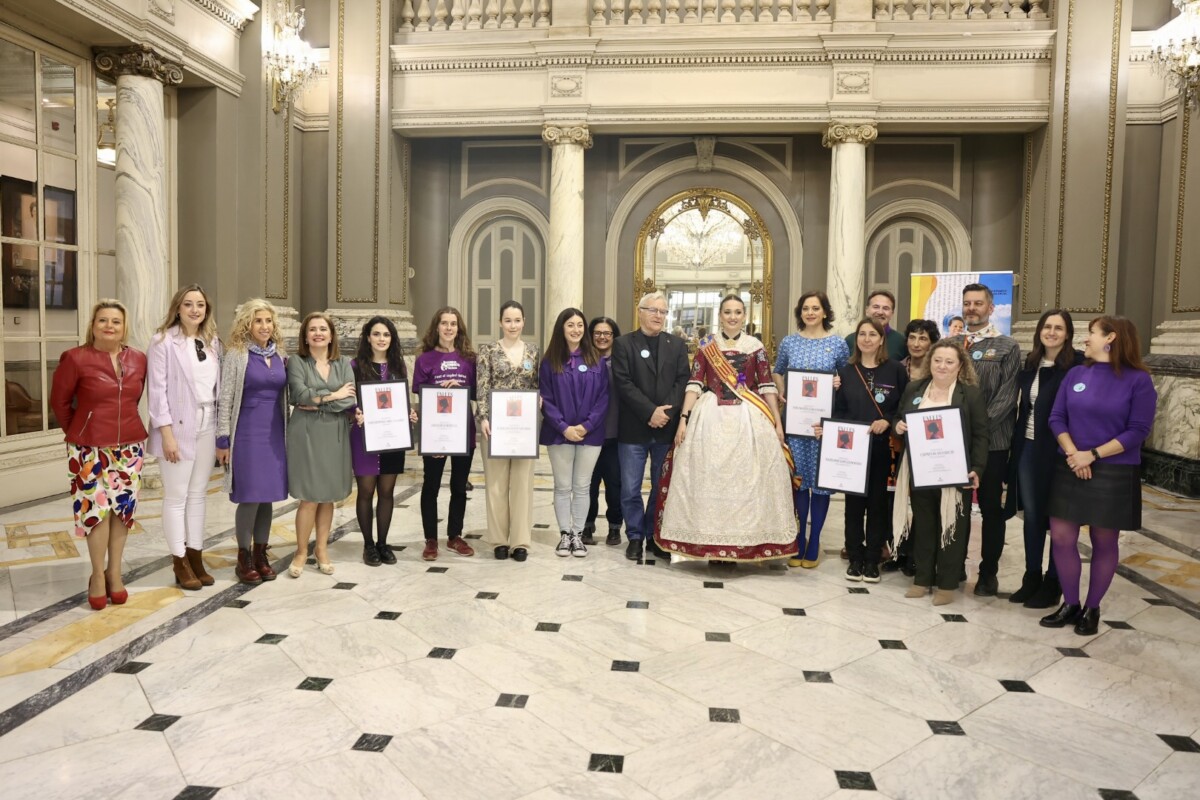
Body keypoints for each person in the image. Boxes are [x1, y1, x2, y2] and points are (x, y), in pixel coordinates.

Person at [656, 294, 796, 562]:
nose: (733, 317)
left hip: (749, 418)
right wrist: (683, 419)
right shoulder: (707, 345)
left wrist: (777, 422)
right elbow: (695, 384)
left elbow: (767, 386)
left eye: (738, 312)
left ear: (744, 316)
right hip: (709, 416)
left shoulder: (755, 346)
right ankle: (708, 544)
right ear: (720, 315)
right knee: (709, 477)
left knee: (747, 479)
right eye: (728, 312)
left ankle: (745, 543)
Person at [1041, 317, 1156, 636]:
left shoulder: (1139, 380)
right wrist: (1073, 453)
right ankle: (1070, 603)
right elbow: (1056, 417)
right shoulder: (1077, 373)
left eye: (1091, 333)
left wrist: (1091, 455)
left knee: (1103, 541)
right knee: (1062, 537)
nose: (1085, 339)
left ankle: (1092, 608)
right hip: (1071, 462)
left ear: (1111, 338)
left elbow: (1138, 431)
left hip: (1114, 468)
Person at [50, 300, 148, 610]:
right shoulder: (75, 359)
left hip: (130, 445)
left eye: (116, 321)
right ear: (92, 325)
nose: (109, 326)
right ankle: (96, 575)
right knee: (96, 512)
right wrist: (79, 430)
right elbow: (60, 402)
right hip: (88, 448)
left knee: (122, 512)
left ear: (124, 327)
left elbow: (135, 397)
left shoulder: (139, 360)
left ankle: (114, 573)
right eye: (103, 320)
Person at [893, 340, 989, 605]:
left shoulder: (969, 394)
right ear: (929, 363)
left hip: (955, 472)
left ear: (960, 366)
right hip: (921, 470)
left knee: (953, 526)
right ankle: (922, 579)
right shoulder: (915, 389)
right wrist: (898, 426)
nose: (942, 366)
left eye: (949, 362)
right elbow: (899, 418)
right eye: (937, 360)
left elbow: (981, 435)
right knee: (924, 526)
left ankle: (947, 584)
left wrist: (976, 469)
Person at [146, 284, 221, 591]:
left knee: (199, 494)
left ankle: (196, 556)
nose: (194, 310)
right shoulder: (163, 341)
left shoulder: (212, 341)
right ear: (178, 308)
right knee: (176, 497)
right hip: (176, 428)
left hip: (207, 423)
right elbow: (157, 391)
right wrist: (166, 435)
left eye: (200, 305)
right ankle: (179, 560)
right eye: (188, 304)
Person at [821, 318, 908, 582]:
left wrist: (889, 421)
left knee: (878, 504)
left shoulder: (895, 370)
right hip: (852, 449)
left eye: (873, 334)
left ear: (882, 339)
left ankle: (873, 559)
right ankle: (855, 557)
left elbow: (902, 407)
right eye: (862, 334)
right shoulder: (846, 372)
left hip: (882, 447)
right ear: (856, 339)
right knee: (853, 505)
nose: (867, 338)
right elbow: (839, 410)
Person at [1008, 309, 1084, 608]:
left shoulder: (1076, 365)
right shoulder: (1031, 362)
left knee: (1057, 519)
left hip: (1058, 452)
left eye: (1059, 328)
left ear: (1068, 334)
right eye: (1047, 327)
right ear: (1039, 331)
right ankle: (1031, 577)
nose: (1051, 332)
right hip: (1027, 447)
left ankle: (1054, 582)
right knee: (1032, 516)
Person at [612, 291, 691, 562]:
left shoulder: (677, 345)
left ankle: (653, 536)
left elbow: (683, 381)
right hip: (634, 429)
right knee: (631, 488)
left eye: (663, 311)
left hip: (666, 429)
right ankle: (634, 536)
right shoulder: (623, 344)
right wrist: (650, 412)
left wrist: (664, 412)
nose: (659, 316)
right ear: (640, 311)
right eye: (653, 310)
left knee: (661, 486)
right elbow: (623, 383)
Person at [773, 290, 850, 568]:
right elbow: (777, 371)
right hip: (795, 424)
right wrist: (782, 392)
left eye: (816, 308)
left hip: (822, 427)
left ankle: (814, 540)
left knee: (819, 484)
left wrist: (839, 384)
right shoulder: (789, 342)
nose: (810, 313)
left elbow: (847, 377)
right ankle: (798, 539)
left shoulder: (838, 344)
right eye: (806, 308)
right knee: (798, 481)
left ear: (825, 312)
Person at [215, 299, 288, 585]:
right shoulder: (237, 354)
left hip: (274, 433)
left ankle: (261, 553)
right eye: (258, 321)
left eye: (268, 321)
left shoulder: (280, 353)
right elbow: (226, 398)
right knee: (249, 495)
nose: (264, 326)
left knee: (267, 495)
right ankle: (244, 556)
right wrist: (223, 439)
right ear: (247, 324)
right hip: (246, 432)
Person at [955, 283, 1021, 596]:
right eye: (967, 303)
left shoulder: (1007, 346)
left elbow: (1007, 397)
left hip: (993, 444)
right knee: (958, 506)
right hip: (954, 444)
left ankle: (988, 572)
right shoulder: (952, 344)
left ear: (991, 308)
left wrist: (976, 430)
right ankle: (954, 565)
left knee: (992, 509)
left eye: (978, 303)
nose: (972, 308)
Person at [286, 312, 355, 577]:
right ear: (305, 335)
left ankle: (322, 549)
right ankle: (301, 551)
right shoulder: (296, 361)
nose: (318, 333)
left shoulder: (343, 363)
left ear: (331, 335)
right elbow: (298, 394)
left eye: (323, 329)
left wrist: (319, 400)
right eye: (312, 329)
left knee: (327, 496)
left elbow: (349, 399)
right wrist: (334, 395)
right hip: (306, 433)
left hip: (335, 433)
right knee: (309, 497)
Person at [540, 308, 610, 558]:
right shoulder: (549, 362)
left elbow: (603, 399)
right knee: (562, 486)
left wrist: (586, 426)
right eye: (570, 325)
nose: (576, 330)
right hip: (558, 434)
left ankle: (578, 535)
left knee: (582, 486)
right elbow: (545, 399)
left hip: (590, 435)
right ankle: (564, 535)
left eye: (580, 325)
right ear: (562, 328)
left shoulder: (597, 361)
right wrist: (564, 427)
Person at [476, 300, 541, 562]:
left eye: (517, 320)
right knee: (496, 484)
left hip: (524, 427)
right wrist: (483, 418)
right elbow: (482, 386)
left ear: (524, 321)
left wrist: (540, 400)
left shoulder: (534, 352)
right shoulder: (488, 351)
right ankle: (499, 540)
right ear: (500, 322)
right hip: (494, 427)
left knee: (523, 484)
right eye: (508, 320)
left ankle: (520, 541)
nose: (513, 325)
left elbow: (537, 384)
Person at [413, 307, 477, 562]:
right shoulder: (424, 359)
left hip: (462, 431)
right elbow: (420, 395)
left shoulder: (469, 359)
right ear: (436, 327)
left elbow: (476, 393)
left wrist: (461, 387)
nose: (449, 328)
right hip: (436, 432)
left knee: (459, 486)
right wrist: (437, 389)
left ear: (459, 328)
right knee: (431, 486)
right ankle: (431, 539)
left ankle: (454, 536)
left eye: (453, 324)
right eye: (444, 323)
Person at [350, 316, 414, 567]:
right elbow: (350, 399)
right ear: (368, 337)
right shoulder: (355, 366)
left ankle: (383, 544)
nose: (381, 339)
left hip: (393, 437)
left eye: (386, 335)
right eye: (376, 334)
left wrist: (408, 413)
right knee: (366, 491)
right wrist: (355, 410)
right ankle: (368, 545)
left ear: (392, 339)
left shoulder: (398, 366)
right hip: (364, 435)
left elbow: (401, 400)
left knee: (387, 492)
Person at [583, 316, 623, 547]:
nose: (602, 337)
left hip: (616, 433)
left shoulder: (622, 362)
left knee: (615, 485)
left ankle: (615, 527)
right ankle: (587, 525)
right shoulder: (583, 362)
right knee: (588, 484)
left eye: (607, 333)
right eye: (597, 333)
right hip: (589, 434)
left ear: (614, 336)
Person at [845, 289, 907, 361]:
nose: (880, 312)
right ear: (867, 310)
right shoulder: (850, 340)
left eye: (885, 308)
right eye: (876, 307)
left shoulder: (901, 341)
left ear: (892, 313)